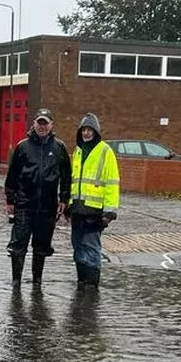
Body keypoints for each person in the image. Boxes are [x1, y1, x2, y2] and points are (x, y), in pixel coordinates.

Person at [4, 108, 71, 286]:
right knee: (19, 245)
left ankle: (37, 282)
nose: (42, 127)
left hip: (47, 207)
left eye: (45, 123)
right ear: (33, 124)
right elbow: (12, 175)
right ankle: (16, 282)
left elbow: (66, 177)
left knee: (41, 246)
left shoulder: (59, 148)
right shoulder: (22, 147)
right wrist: (10, 200)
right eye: (39, 123)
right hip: (24, 205)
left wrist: (64, 199)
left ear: (51, 125)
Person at [67, 112, 120, 287]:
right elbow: (74, 180)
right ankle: (82, 280)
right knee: (78, 246)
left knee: (91, 247)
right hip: (78, 209)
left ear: (96, 131)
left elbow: (112, 182)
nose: (86, 133)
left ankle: (91, 283)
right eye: (84, 130)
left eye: (90, 130)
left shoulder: (105, 151)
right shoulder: (78, 151)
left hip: (94, 210)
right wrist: (69, 205)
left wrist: (109, 211)